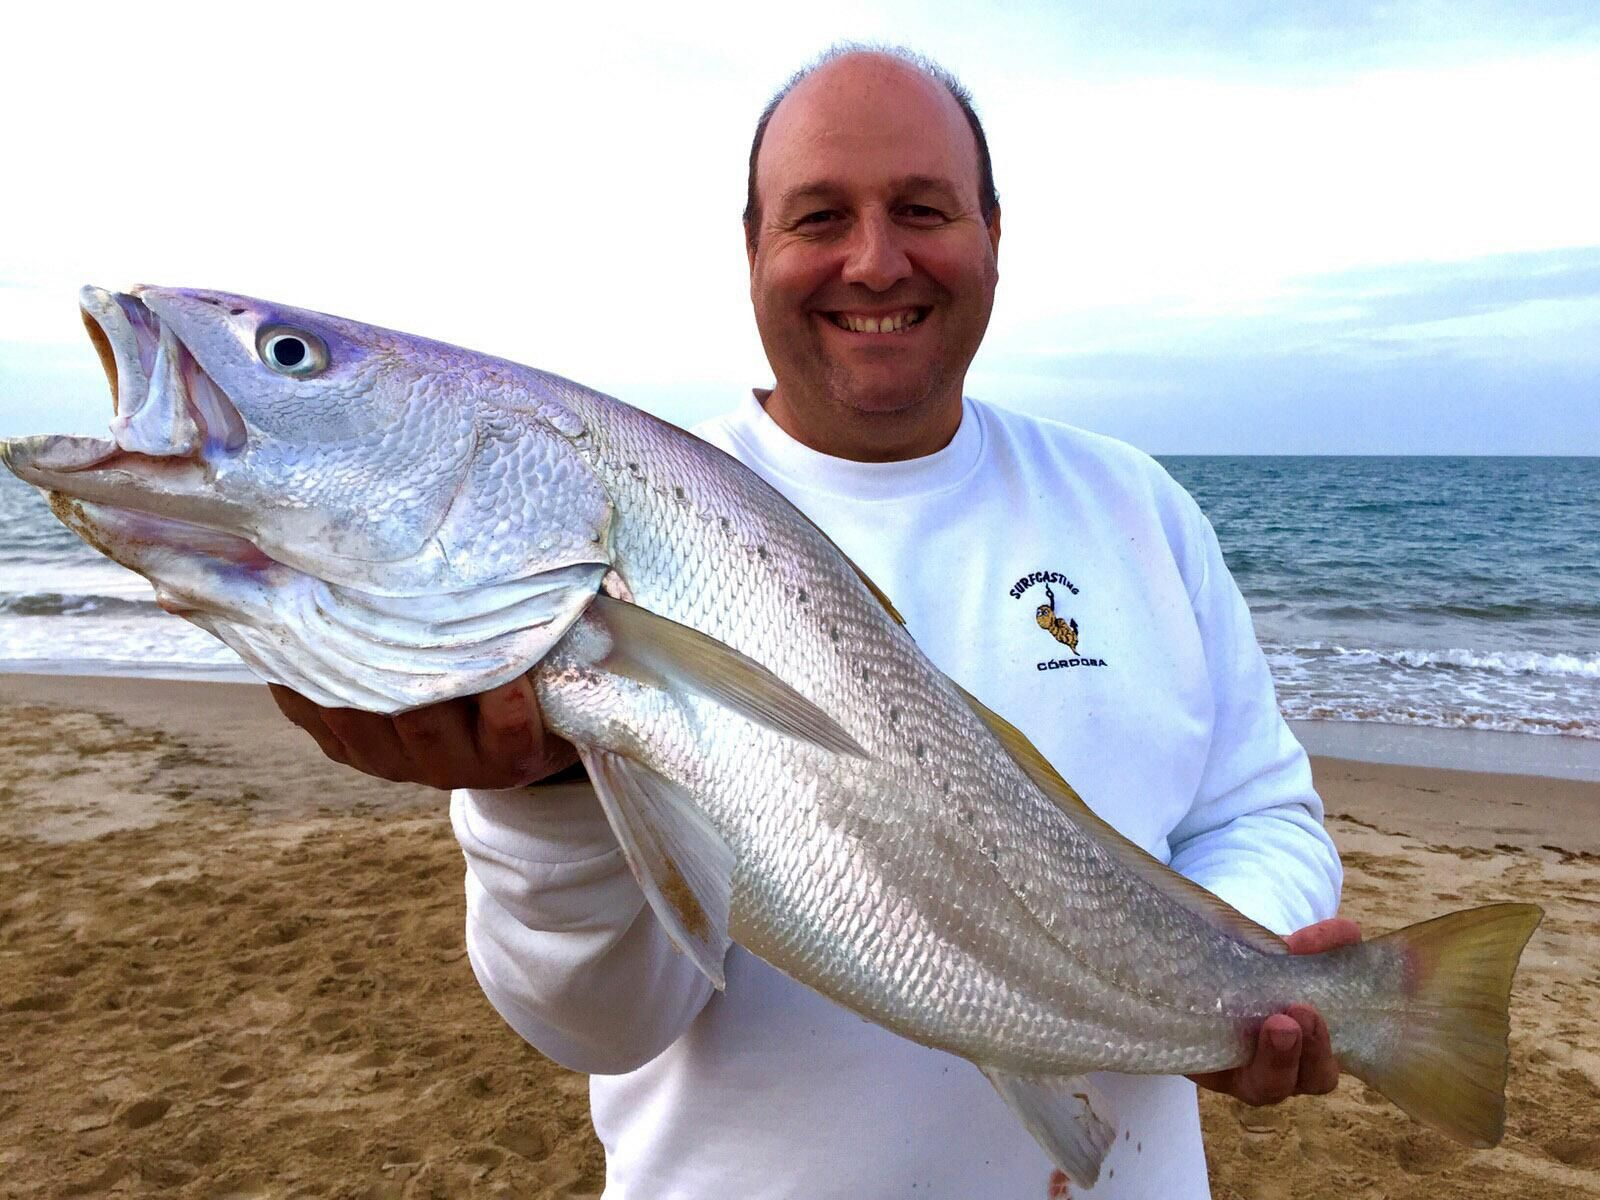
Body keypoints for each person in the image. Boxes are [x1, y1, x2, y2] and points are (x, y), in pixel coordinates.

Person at [271, 45, 1352, 1198]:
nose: (875, 261)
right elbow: (594, 1030)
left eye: (922, 210)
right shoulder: (612, 543)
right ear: (752, 248)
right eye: (820, 216)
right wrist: (539, 804)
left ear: (993, 232)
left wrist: (1235, 974)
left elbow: (1259, 811)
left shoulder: (1136, 506)